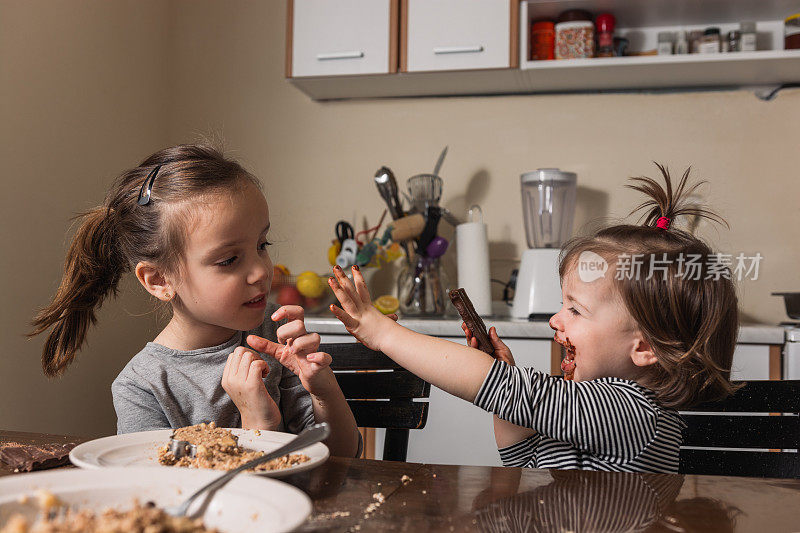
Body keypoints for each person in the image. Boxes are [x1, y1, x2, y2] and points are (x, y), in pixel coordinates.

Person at [327, 164, 738, 472]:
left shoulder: (632, 412)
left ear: (644, 347)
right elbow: (522, 457)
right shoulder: (594, 409)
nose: (555, 321)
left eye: (575, 309)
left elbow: (494, 387)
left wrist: (384, 332)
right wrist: (504, 381)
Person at [30, 144, 360, 457]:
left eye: (262, 244)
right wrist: (256, 425)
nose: (260, 271)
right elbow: (163, 494)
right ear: (159, 280)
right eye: (229, 260)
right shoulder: (143, 386)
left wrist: (322, 389)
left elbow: (344, 455)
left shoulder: (274, 333)